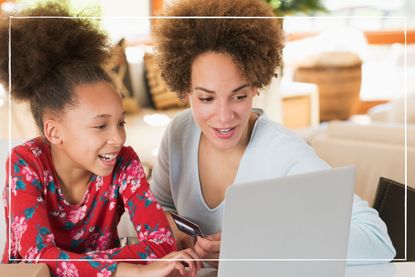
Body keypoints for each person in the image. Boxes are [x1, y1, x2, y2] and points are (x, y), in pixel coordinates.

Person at [150, 0, 396, 267]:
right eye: (206, 99)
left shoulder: (282, 153)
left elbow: (376, 240)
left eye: (239, 96)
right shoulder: (179, 131)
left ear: (256, 86)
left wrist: (255, 246)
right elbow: (160, 206)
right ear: (186, 91)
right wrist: (170, 229)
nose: (223, 116)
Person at [0, 3, 201, 276]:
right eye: (100, 126)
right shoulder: (24, 164)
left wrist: (78, 264)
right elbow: (38, 260)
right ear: (54, 132)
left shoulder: (124, 162)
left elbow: (162, 244)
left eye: (121, 122)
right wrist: (129, 270)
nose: (117, 138)